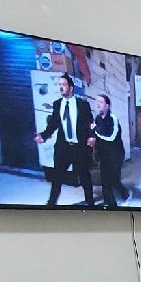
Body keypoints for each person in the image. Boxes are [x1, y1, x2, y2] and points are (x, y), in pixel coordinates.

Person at [35, 73, 95, 207]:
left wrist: (92, 136)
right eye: (59, 85)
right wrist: (43, 136)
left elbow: (90, 123)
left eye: (63, 85)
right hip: (63, 147)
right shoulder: (57, 104)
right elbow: (53, 125)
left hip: (79, 147)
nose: (61, 87)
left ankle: (90, 202)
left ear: (71, 88)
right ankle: (51, 203)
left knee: (84, 176)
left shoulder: (82, 104)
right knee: (57, 177)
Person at [91, 93, 127, 208]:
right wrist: (95, 150)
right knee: (105, 180)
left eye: (100, 102)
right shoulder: (97, 118)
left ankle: (124, 193)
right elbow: (97, 137)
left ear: (107, 105)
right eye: (97, 101)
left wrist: (95, 129)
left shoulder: (113, 118)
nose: (97, 104)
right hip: (104, 155)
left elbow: (111, 136)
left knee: (113, 179)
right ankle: (110, 203)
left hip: (116, 155)